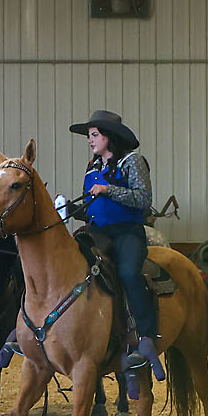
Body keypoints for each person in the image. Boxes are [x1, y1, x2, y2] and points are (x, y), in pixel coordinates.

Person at [70, 110, 163, 378]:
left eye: (94, 135)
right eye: (89, 136)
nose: (90, 141)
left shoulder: (133, 162)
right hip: (97, 231)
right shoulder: (94, 165)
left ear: (109, 137)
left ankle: (146, 336)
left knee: (128, 274)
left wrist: (109, 190)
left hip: (128, 232)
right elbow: (94, 207)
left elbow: (144, 199)